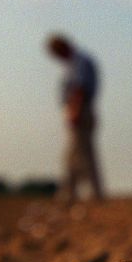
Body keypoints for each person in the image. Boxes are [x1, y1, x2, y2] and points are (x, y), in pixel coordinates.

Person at [46, 34, 105, 203]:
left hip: (80, 111)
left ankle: (89, 194)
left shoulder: (79, 62)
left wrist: (74, 111)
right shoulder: (75, 62)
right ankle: (71, 193)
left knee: (81, 154)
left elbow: (79, 88)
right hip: (79, 110)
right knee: (76, 154)